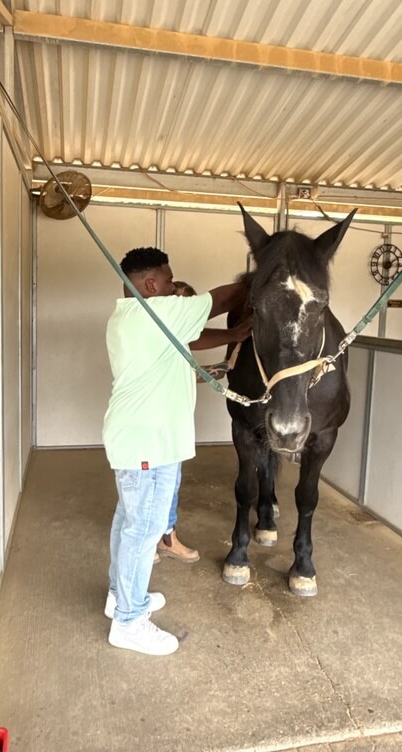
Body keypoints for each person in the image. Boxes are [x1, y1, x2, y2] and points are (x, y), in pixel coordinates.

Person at [103, 247, 246, 656]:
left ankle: (120, 597)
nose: (172, 286)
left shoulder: (135, 316)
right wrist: (267, 271)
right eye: (168, 280)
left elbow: (195, 337)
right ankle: (129, 622)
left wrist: (236, 336)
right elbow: (219, 301)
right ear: (151, 285)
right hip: (148, 443)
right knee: (143, 532)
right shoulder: (156, 312)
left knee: (127, 524)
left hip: (142, 440)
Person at [157, 281, 251, 565]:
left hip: (171, 424)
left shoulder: (174, 337)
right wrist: (232, 342)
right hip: (160, 424)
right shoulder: (163, 333)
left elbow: (197, 367)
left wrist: (230, 357)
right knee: (160, 485)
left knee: (170, 483)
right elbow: (198, 368)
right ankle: (157, 542)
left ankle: (166, 537)